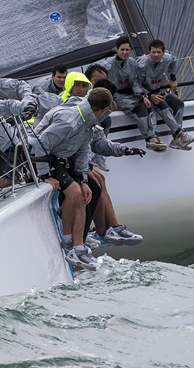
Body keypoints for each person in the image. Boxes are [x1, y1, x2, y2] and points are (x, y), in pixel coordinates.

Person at [33, 88, 145, 270]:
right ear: (103, 109)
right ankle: (71, 244)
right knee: (75, 192)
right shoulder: (70, 121)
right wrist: (45, 175)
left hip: (61, 157)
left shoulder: (88, 121)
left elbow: (84, 150)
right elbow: (40, 143)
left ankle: (77, 245)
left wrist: (83, 179)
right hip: (43, 157)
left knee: (85, 192)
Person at [94, 36, 167, 152]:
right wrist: (109, 101)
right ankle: (149, 138)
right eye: (122, 49)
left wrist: (143, 95)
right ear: (116, 49)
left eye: (127, 50)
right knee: (139, 109)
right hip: (117, 96)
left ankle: (153, 136)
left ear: (130, 50)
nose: (125, 52)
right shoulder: (108, 65)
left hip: (131, 94)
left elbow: (135, 83)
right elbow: (98, 80)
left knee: (148, 105)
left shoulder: (132, 63)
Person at [138, 40, 194, 150]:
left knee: (179, 104)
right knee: (163, 106)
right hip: (146, 95)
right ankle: (181, 134)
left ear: (163, 52)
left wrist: (173, 79)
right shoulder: (142, 65)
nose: (156, 55)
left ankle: (176, 139)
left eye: (158, 52)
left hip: (160, 91)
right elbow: (136, 84)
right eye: (153, 52)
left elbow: (174, 60)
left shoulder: (168, 58)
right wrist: (150, 95)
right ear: (149, 52)